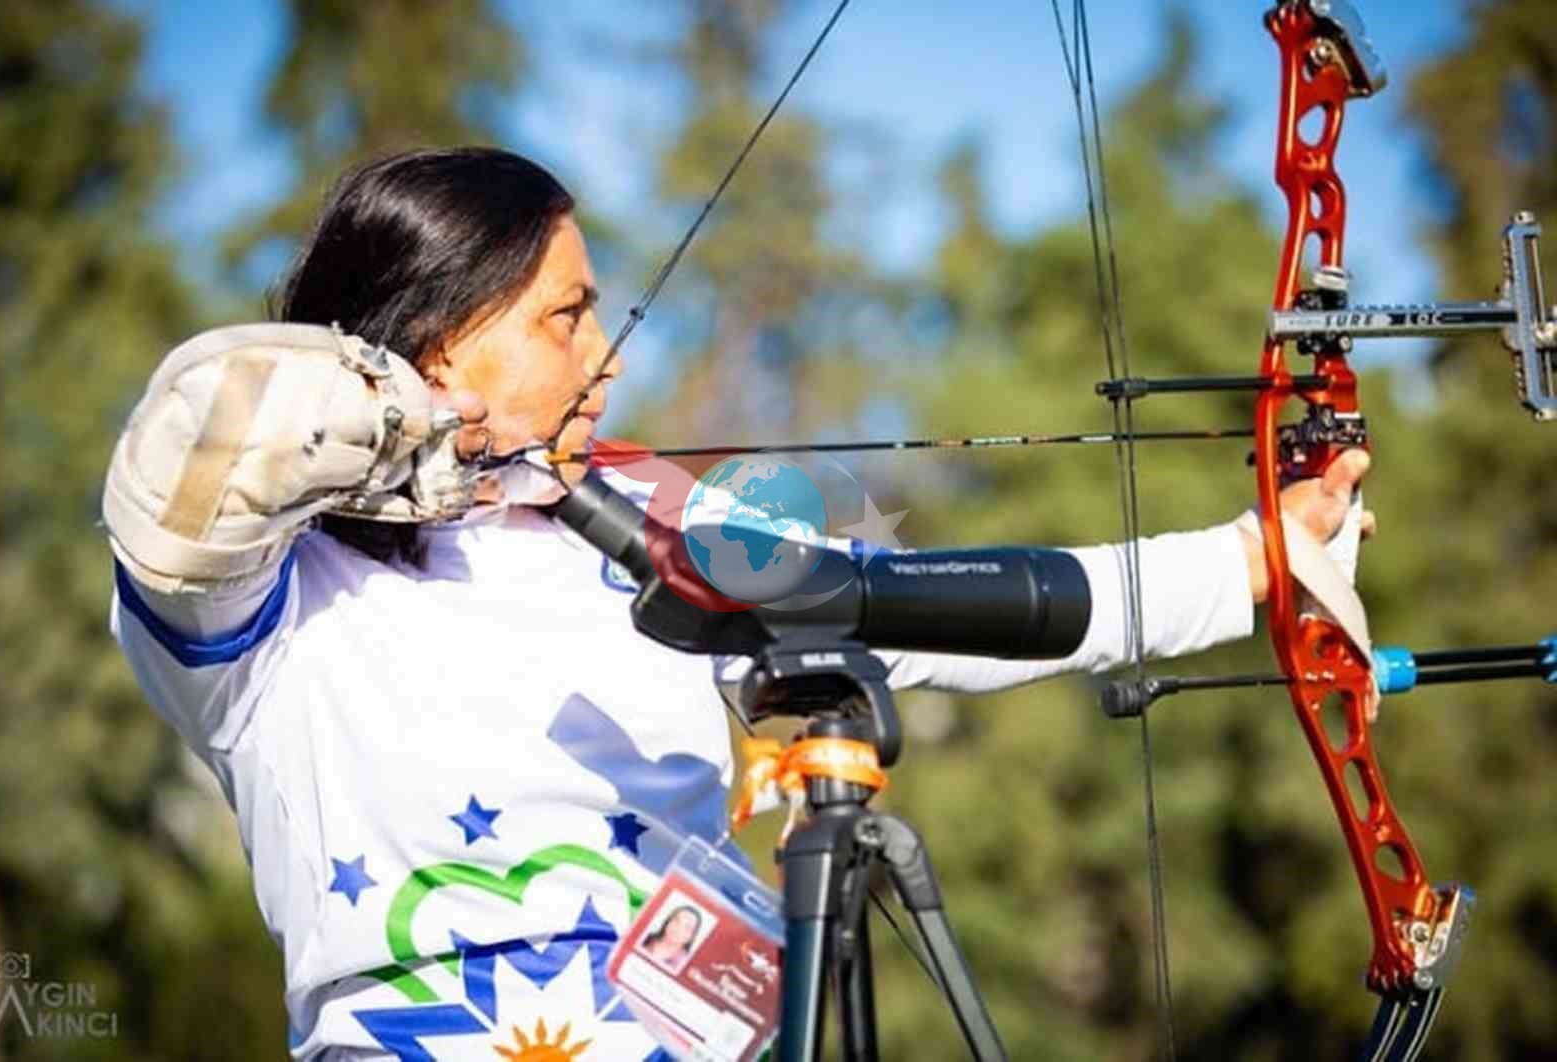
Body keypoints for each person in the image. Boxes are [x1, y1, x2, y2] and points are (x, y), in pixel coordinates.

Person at [102, 147, 1374, 1061]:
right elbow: (202, 446)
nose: (607, 356)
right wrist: (428, 439)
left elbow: (941, 609)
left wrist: (1258, 559)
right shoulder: (269, 599)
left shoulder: (650, 525)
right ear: (439, 343)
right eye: (565, 318)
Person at [639, 905, 704, 974]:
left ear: (691, 937)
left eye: (687, 928)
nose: (678, 929)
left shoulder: (685, 963)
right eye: (677, 921)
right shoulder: (645, 938)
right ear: (668, 921)